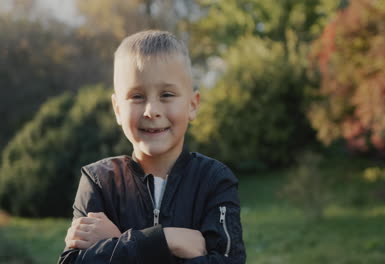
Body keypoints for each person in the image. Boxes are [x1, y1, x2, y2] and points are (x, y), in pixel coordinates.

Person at [58, 30, 246, 264]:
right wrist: (165, 240)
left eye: (166, 94)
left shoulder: (214, 180)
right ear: (117, 109)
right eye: (137, 96)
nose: (151, 111)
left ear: (192, 105)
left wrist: (120, 243)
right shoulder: (99, 182)